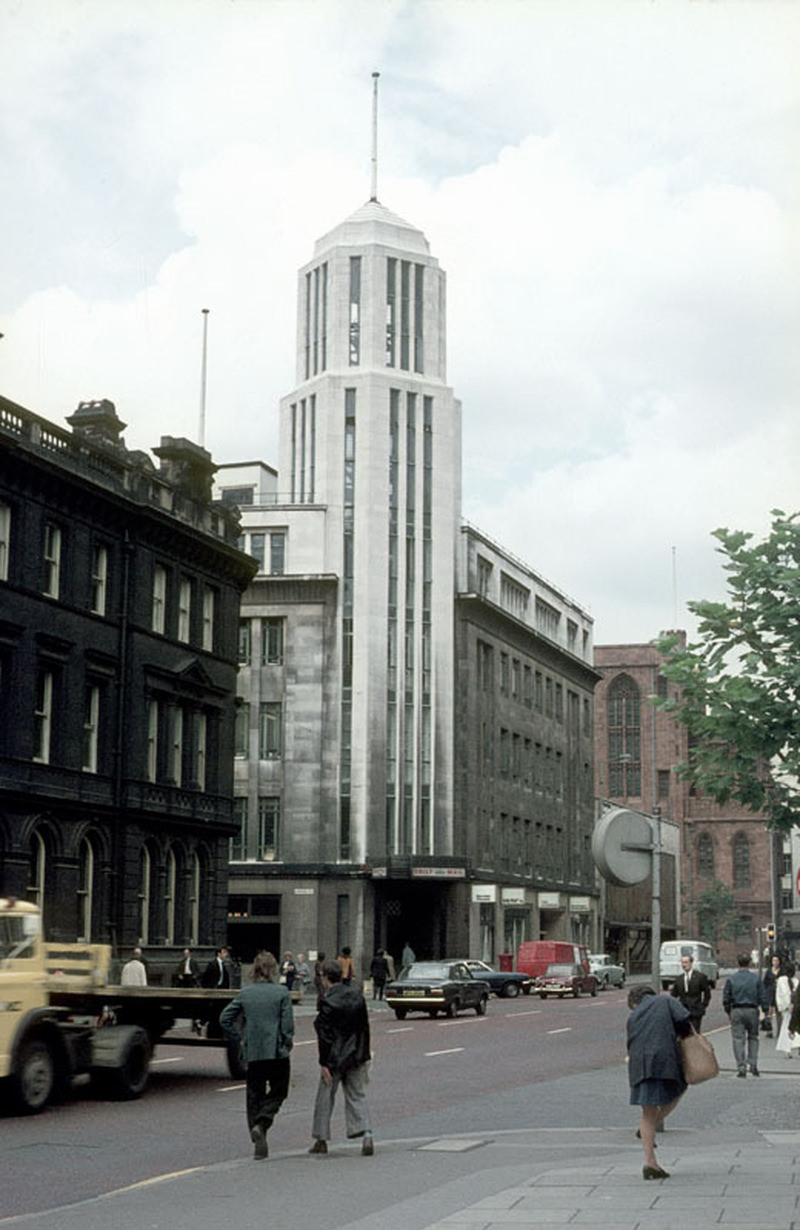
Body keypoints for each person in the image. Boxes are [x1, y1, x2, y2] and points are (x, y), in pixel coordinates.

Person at [220, 950, 294, 1160]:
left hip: (253, 1052)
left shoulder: (246, 993)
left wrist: (240, 1037)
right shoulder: (281, 993)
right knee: (279, 1091)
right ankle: (263, 1122)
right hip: (277, 1051)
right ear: (273, 970)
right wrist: (286, 1042)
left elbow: (225, 1018)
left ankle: (257, 1137)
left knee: (254, 1094)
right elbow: (287, 1025)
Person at [309, 959, 373, 1157]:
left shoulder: (328, 1002)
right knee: (357, 1095)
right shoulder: (357, 996)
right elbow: (364, 1028)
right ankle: (367, 1134)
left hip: (334, 1057)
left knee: (325, 1096)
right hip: (355, 1053)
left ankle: (321, 1139)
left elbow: (325, 1035)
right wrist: (365, 1054)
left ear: (325, 977)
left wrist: (324, 1063)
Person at [627, 985, 691, 1181]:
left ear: (635, 1002)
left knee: (647, 1112)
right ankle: (652, 1127)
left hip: (639, 1064)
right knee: (680, 1088)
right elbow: (684, 1021)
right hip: (664, 1059)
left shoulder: (634, 1015)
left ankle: (650, 1163)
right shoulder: (666, 1000)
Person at [723, 951, 767, 1077]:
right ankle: (753, 1064)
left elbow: (726, 998)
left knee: (738, 1039)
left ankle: (741, 1067)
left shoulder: (732, 979)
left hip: (737, 1009)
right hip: (752, 1009)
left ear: (738, 963)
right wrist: (765, 1011)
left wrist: (729, 1011)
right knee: (753, 1037)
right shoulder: (755, 978)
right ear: (749, 963)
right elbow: (762, 996)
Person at [669, 953, 711, 1031]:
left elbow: (707, 993)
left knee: (695, 1032)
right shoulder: (679, 979)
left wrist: (703, 1005)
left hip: (696, 1010)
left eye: (686, 962)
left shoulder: (700, 977)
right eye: (682, 962)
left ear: (691, 963)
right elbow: (673, 995)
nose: (684, 965)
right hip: (683, 1011)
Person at [775, 962, 800, 1058]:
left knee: (786, 1027)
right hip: (795, 1007)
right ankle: (797, 1046)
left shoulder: (781, 980)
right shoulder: (795, 980)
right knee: (796, 1026)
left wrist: (785, 1005)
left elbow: (782, 995)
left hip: (787, 1008)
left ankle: (787, 1050)